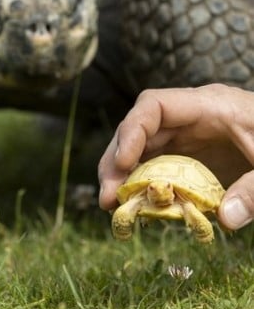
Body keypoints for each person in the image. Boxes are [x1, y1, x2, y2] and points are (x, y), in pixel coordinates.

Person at [98, 83, 254, 231]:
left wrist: (203, 231)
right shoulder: (139, 198)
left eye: (166, 187)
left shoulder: (187, 204)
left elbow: (193, 212)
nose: (159, 191)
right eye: (152, 188)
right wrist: (122, 229)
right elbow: (123, 212)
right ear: (148, 189)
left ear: (171, 189)